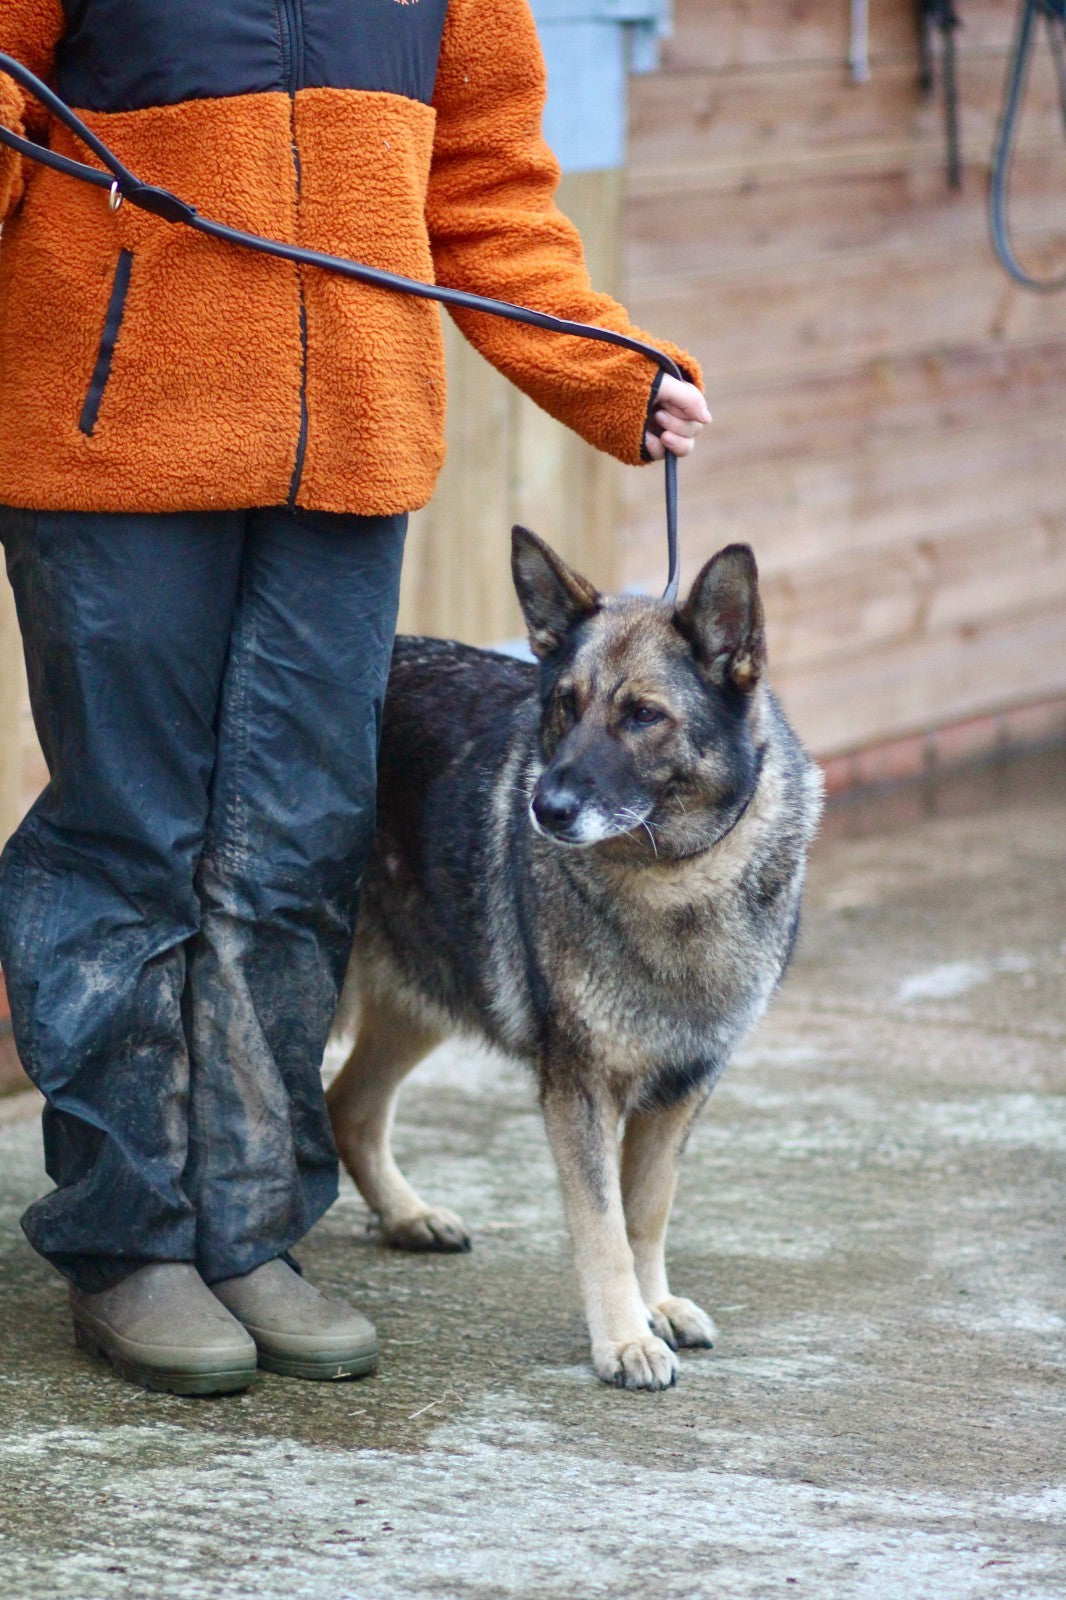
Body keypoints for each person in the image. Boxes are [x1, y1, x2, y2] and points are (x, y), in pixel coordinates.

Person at [0, 0, 708, 1395]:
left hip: (351, 453)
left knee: (298, 844)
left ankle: (252, 1228)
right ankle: (129, 1239)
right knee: (129, 842)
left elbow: (487, 188)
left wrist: (603, 370)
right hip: (108, 435)